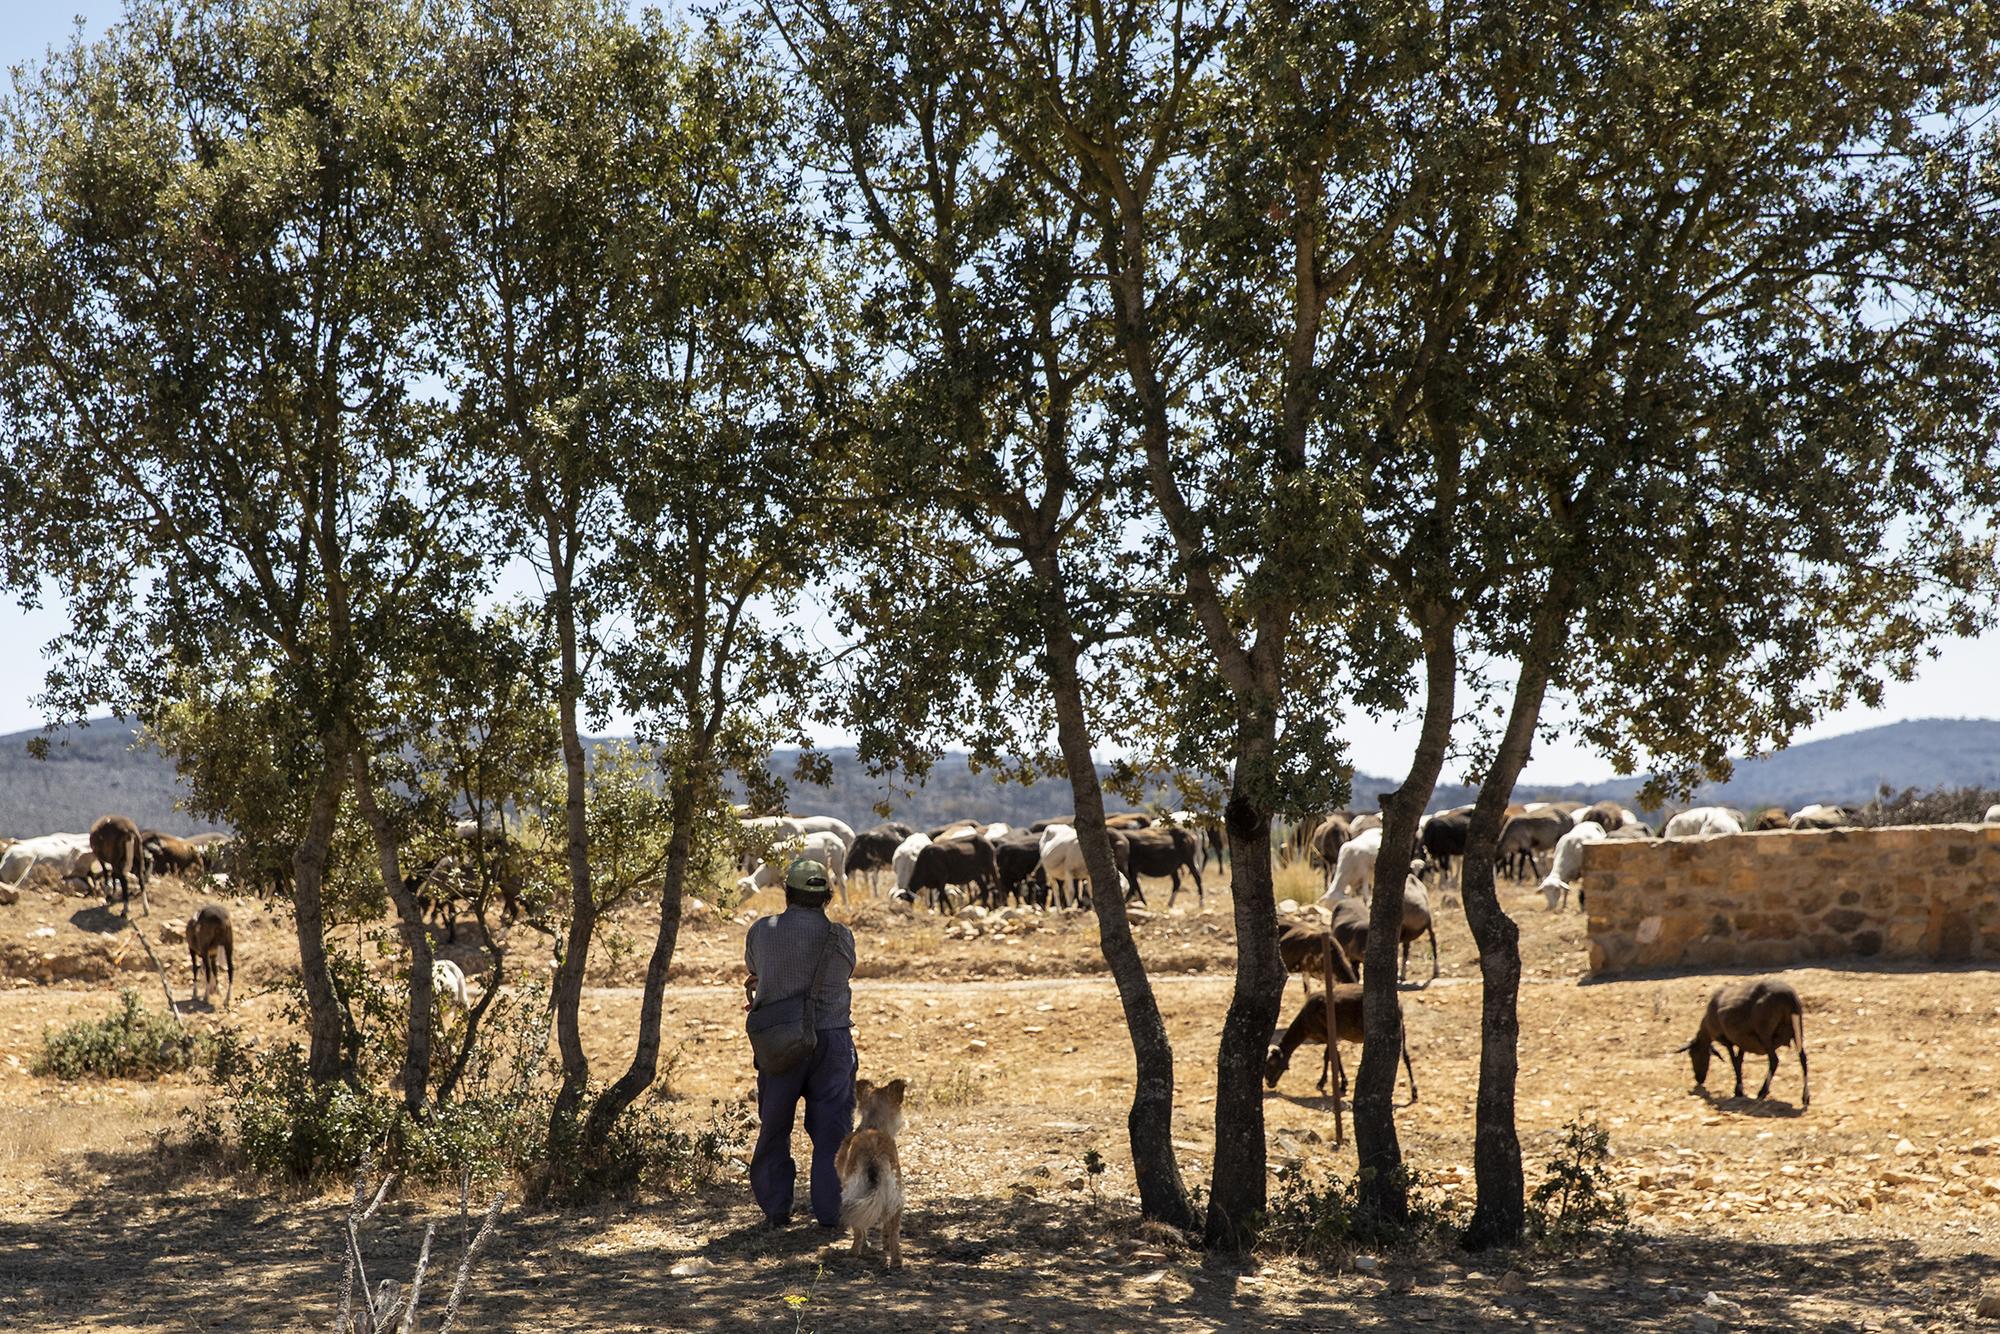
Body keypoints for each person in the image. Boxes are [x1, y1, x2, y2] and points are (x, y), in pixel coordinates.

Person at [744, 856, 857, 1229]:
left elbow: (756, 970)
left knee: (774, 1124)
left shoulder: (761, 931)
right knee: (832, 1130)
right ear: (827, 896)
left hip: (779, 1040)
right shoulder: (841, 937)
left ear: (787, 892)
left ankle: (776, 1209)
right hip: (832, 1041)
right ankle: (830, 1212)